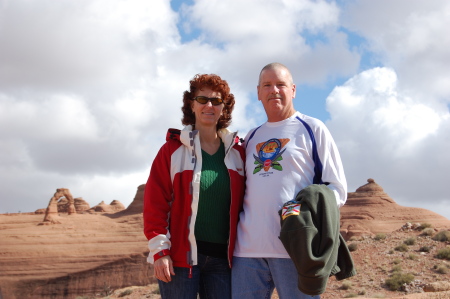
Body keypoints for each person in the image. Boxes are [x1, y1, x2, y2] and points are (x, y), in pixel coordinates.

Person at [232, 63, 347, 299]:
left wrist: (305, 211)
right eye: (267, 85)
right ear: (258, 92)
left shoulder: (313, 128)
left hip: (295, 250)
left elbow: (337, 189)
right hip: (247, 251)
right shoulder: (251, 136)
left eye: (280, 84)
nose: (274, 90)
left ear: (293, 90)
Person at [143, 73, 246, 299]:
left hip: (223, 262)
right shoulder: (172, 151)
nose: (209, 105)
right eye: (202, 99)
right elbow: (155, 205)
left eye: (217, 101)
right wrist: (160, 252)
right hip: (180, 260)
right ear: (192, 104)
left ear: (224, 108)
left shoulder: (238, 153)